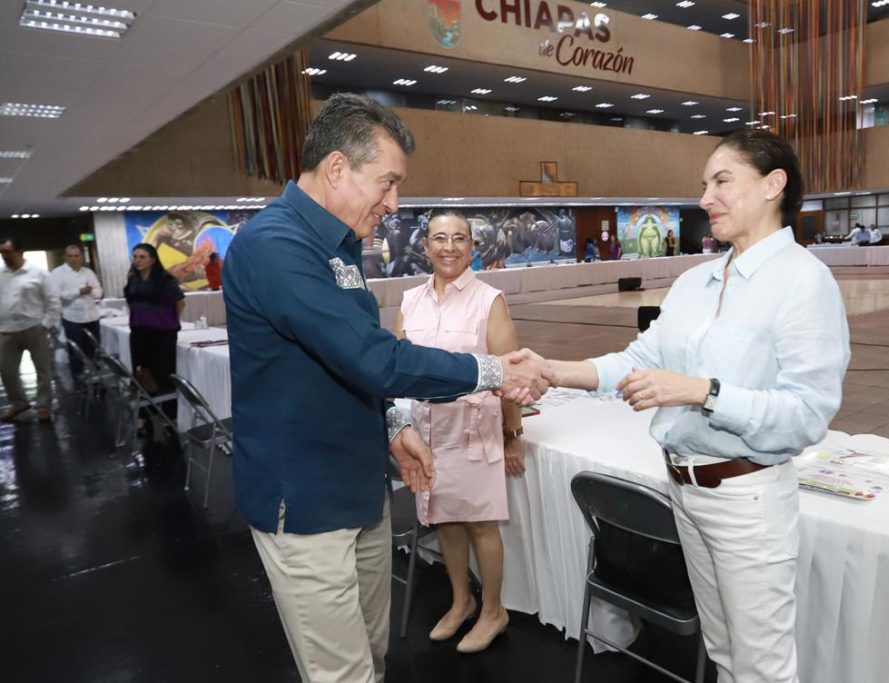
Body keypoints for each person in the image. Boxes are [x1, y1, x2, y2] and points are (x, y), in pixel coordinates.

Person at [221, 93, 551, 683]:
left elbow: (347, 359)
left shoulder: (340, 245)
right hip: (305, 500)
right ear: (338, 168)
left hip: (359, 485)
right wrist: (497, 371)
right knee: (342, 672)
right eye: (388, 183)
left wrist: (393, 424)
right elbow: (373, 357)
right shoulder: (276, 244)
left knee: (373, 655)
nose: (394, 204)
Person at [517, 130, 850, 682]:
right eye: (704, 184)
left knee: (763, 666)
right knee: (722, 650)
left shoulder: (804, 282)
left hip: (748, 499)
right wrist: (553, 370)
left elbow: (806, 414)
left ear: (773, 185)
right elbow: (637, 360)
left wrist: (701, 390)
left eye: (721, 181)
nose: (704, 198)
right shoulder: (697, 281)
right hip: (684, 490)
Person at [393, 209, 523, 653]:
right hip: (426, 432)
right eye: (439, 238)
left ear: (472, 246)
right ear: (425, 246)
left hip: (473, 432)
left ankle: (494, 611)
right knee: (445, 519)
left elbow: (509, 374)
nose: (449, 247)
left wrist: (512, 434)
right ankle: (461, 601)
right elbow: (397, 366)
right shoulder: (410, 301)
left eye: (459, 238)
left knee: (481, 524)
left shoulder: (489, 300)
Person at [0, 237, 60, 422]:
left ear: (20, 251)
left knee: (42, 370)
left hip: (34, 328)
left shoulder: (39, 273)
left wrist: (45, 325)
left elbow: (53, 302)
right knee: (6, 370)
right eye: (1, 253)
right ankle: (19, 403)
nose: (4, 256)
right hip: (6, 330)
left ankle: (44, 406)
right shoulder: (1, 274)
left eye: (7, 252)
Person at [124, 243, 185, 400]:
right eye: (135, 257)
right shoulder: (132, 280)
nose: (137, 260)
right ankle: (145, 411)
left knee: (162, 373)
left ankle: (167, 411)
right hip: (138, 333)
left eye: (142, 257)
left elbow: (180, 303)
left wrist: (168, 321)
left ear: (152, 260)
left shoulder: (166, 280)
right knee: (142, 373)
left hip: (162, 335)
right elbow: (131, 303)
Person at [50, 244, 103, 380]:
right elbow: (55, 295)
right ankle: (78, 377)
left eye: (77, 256)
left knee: (94, 348)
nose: (74, 259)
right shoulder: (57, 273)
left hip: (92, 316)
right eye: (70, 256)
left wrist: (91, 291)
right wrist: (78, 291)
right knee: (75, 350)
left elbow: (98, 291)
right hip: (72, 317)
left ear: (81, 257)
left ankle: (95, 375)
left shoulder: (88, 272)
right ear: (65, 257)